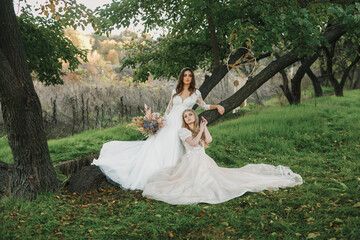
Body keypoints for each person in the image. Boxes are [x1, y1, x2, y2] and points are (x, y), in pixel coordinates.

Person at [92, 68, 225, 190]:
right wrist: (161, 122)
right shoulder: (175, 92)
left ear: (192, 78)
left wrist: (217, 106)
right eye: (185, 75)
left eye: (190, 75)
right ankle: (155, 175)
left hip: (182, 123)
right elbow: (168, 110)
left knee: (177, 147)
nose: (187, 78)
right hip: (169, 122)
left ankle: (174, 176)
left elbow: (204, 106)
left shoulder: (196, 93)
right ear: (181, 78)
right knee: (159, 146)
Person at [142, 109, 303, 205]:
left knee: (217, 177)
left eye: (190, 115)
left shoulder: (198, 127)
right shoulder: (183, 131)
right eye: (186, 117)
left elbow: (209, 140)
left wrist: (204, 127)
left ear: (194, 116)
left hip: (203, 159)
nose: (189, 117)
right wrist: (199, 132)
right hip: (191, 161)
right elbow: (193, 143)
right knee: (196, 182)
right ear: (184, 120)